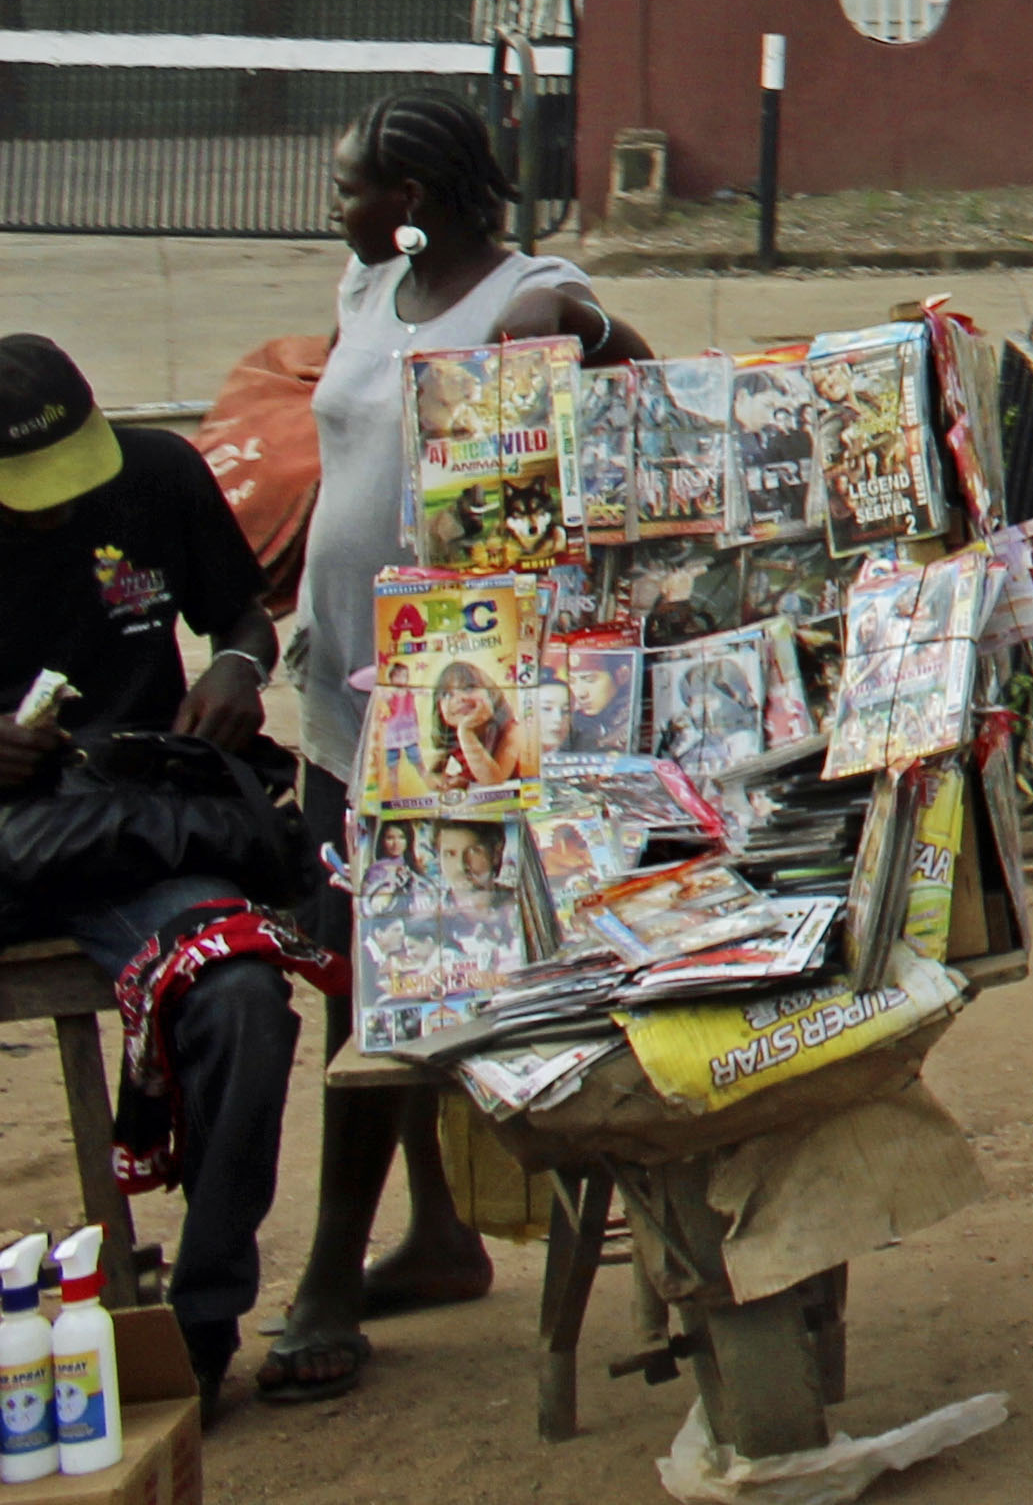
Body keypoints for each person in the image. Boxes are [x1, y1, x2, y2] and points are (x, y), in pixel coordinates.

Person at [280, 89, 638, 1402]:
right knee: (357, 972)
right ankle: (434, 1233)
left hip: (451, 698)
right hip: (336, 695)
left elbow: (616, 346)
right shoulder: (366, 295)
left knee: (391, 976)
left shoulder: (531, 292)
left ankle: (328, 1269)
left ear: (415, 196)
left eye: (353, 183)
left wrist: (569, 330)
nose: (340, 205)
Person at [0, 338, 304, 1408]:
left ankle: (202, 1322)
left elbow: (242, 615)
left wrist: (234, 666)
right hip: (14, 839)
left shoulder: (156, 476)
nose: (55, 512)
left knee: (245, 1004)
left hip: (139, 830)